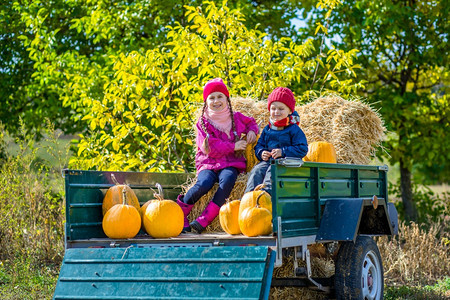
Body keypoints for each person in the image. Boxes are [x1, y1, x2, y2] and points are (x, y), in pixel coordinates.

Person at [177, 78, 259, 233]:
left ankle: (205, 219)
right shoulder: (202, 123)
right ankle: (181, 212)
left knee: (227, 181)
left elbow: (252, 123)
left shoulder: (236, 117)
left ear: (227, 99)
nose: (216, 100)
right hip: (208, 163)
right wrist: (233, 146)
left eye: (220, 96)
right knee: (205, 183)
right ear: (206, 102)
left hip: (230, 163)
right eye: (212, 97)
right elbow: (211, 148)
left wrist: (251, 131)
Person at [245, 87, 308, 195]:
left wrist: (283, 152)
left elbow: (302, 148)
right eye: (273, 108)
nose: (276, 112)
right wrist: (261, 152)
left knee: (272, 172)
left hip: (286, 163)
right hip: (268, 161)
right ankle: (249, 198)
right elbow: (259, 145)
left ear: (289, 111)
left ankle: (265, 198)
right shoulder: (268, 129)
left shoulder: (293, 129)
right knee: (257, 171)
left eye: (281, 109)